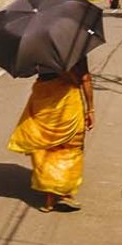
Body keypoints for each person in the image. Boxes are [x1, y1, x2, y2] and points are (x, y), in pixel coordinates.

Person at [8, 58, 94, 212]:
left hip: (42, 99)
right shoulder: (76, 46)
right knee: (70, 147)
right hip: (68, 102)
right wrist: (90, 109)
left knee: (45, 147)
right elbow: (85, 78)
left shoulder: (37, 48)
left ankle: (50, 198)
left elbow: (28, 70)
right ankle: (64, 193)